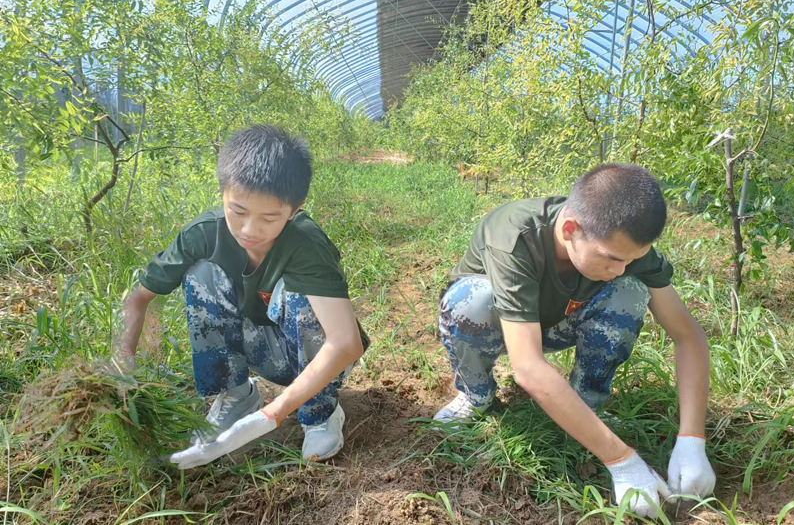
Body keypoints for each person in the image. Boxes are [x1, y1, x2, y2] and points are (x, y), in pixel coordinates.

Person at [434, 164, 715, 516]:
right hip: (498, 325)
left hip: (562, 321)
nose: (620, 269)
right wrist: (622, 459)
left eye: (633, 259)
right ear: (570, 229)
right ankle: (476, 396)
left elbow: (686, 334)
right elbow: (528, 367)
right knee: (470, 300)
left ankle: (587, 405)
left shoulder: (622, 245)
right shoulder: (513, 235)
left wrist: (692, 439)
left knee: (628, 293)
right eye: (612, 259)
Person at [111, 124, 367, 469]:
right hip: (259, 350)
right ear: (223, 195)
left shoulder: (306, 245)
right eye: (239, 211)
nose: (249, 230)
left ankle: (319, 412)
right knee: (202, 272)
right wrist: (122, 363)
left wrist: (273, 414)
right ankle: (235, 395)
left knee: (298, 294)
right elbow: (139, 299)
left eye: (269, 217)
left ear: (294, 210)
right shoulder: (205, 235)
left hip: (316, 354)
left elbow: (345, 343)